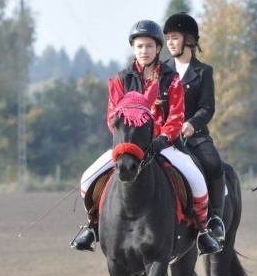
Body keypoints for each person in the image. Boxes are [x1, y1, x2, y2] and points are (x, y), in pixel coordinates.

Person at [71, 20, 222, 256]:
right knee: (87, 179)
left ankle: (202, 230)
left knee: (197, 181)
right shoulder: (122, 80)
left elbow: (177, 115)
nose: (144, 51)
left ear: (157, 49)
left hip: (164, 146)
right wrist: (127, 141)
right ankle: (93, 226)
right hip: (128, 147)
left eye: (149, 46)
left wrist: (161, 139)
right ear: (133, 48)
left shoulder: (171, 79)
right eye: (140, 46)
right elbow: (113, 117)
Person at [162, 12, 225, 242]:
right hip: (165, 137)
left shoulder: (203, 72)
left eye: (174, 37)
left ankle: (216, 218)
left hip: (195, 136)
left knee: (215, 165)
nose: (170, 43)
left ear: (189, 40)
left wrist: (191, 123)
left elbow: (207, 107)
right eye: (168, 38)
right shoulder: (162, 70)